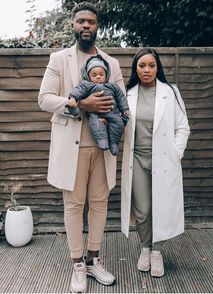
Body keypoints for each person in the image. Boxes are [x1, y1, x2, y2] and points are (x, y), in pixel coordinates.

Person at [38, 2, 126, 293]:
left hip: (102, 149)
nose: (86, 26)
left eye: (91, 21)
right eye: (80, 21)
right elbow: (45, 98)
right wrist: (79, 105)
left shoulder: (111, 63)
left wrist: (110, 107)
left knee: (100, 204)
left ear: (97, 26)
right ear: (73, 25)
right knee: (74, 206)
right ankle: (77, 263)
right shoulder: (59, 59)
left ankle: (94, 259)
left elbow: (121, 99)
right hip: (71, 148)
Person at [121, 48, 190, 278]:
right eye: (142, 66)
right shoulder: (128, 93)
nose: (147, 70)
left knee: (161, 207)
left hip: (163, 160)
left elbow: (183, 127)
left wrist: (176, 152)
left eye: (151, 65)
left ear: (157, 67)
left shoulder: (170, 92)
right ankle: (145, 248)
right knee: (143, 210)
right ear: (136, 69)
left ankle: (157, 252)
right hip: (138, 159)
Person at [66, 54, 129, 156]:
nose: (98, 77)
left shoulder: (112, 86)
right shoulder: (87, 85)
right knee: (96, 125)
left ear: (106, 74)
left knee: (119, 124)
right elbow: (78, 90)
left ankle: (114, 143)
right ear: (88, 76)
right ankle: (102, 141)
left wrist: (124, 109)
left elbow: (120, 97)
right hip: (95, 114)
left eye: (101, 74)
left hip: (112, 112)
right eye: (94, 75)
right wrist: (73, 98)